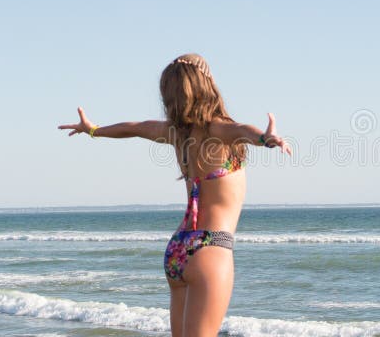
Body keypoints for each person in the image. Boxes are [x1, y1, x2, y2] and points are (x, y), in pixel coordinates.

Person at [58, 53, 292, 337]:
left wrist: (93, 130)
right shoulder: (216, 129)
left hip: (179, 250)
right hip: (210, 247)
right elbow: (242, 130)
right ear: (207, 84)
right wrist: (265, 139)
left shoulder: (174, 132)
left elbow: (134, 127)